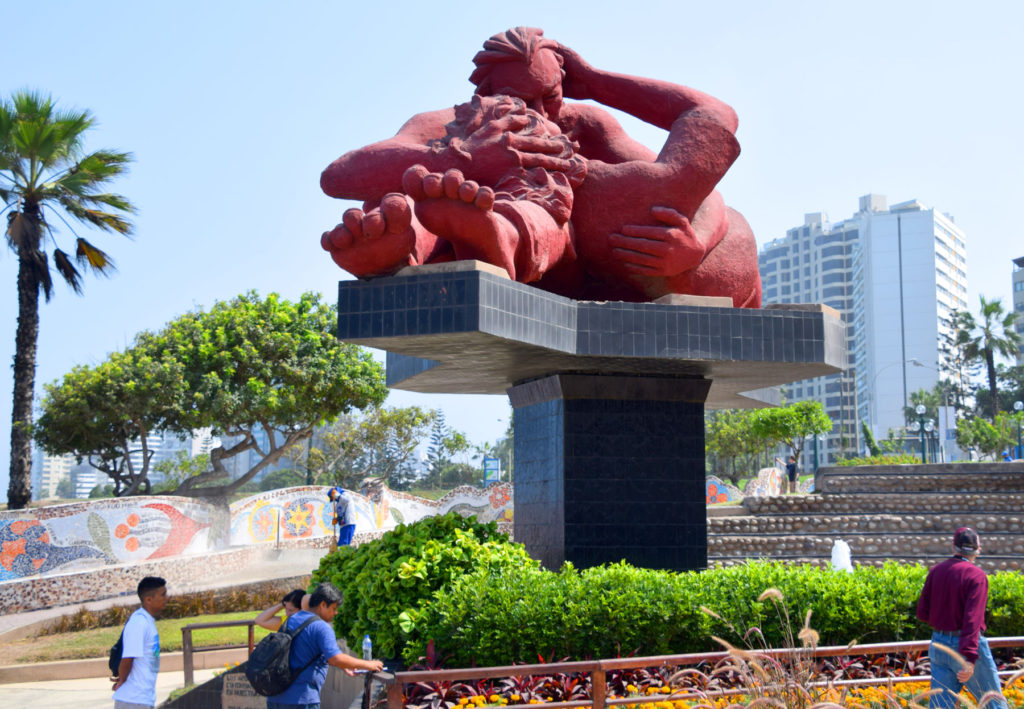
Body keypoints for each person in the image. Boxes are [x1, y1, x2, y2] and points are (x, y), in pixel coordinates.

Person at [320, 27, 760, 306]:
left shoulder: (584, 125)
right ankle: (398, 247)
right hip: (486, 236)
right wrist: (459, 155)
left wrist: (696, 243)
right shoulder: (450, 124)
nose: (538, 110)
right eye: (519, 97)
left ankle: (491, 239)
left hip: (570, 262)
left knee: (536, 211)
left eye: (549, 94)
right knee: (419, 195)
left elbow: (693, 182)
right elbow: (338, 176)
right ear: (487, 91)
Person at [916, 527, 1008, 709]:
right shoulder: (977, 576)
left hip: (939, 644)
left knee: (941, 706)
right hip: (965, 647)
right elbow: (972, 620)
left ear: (953, 547)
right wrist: (969, 657)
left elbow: (922, 613)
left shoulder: (936, 571)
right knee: (994, 704)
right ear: (977, 549)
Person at [266, 582, 383, 708]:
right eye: (333, 608)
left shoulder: (293, 619)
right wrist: (369, 664)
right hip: (302, 699)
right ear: (322, 605)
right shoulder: (321, 627)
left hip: (276, 697)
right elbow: (335, 658)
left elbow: (308, 650)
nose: (336, 612)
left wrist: (345, 665)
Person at [112, 576, 168, 709]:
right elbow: (127, 658)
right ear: (148, 600)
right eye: (163, 594)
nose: (167, 598)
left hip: (142, 699)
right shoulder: (139, 623)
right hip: (133, 700)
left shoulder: (147, 621)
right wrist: (122, 681)